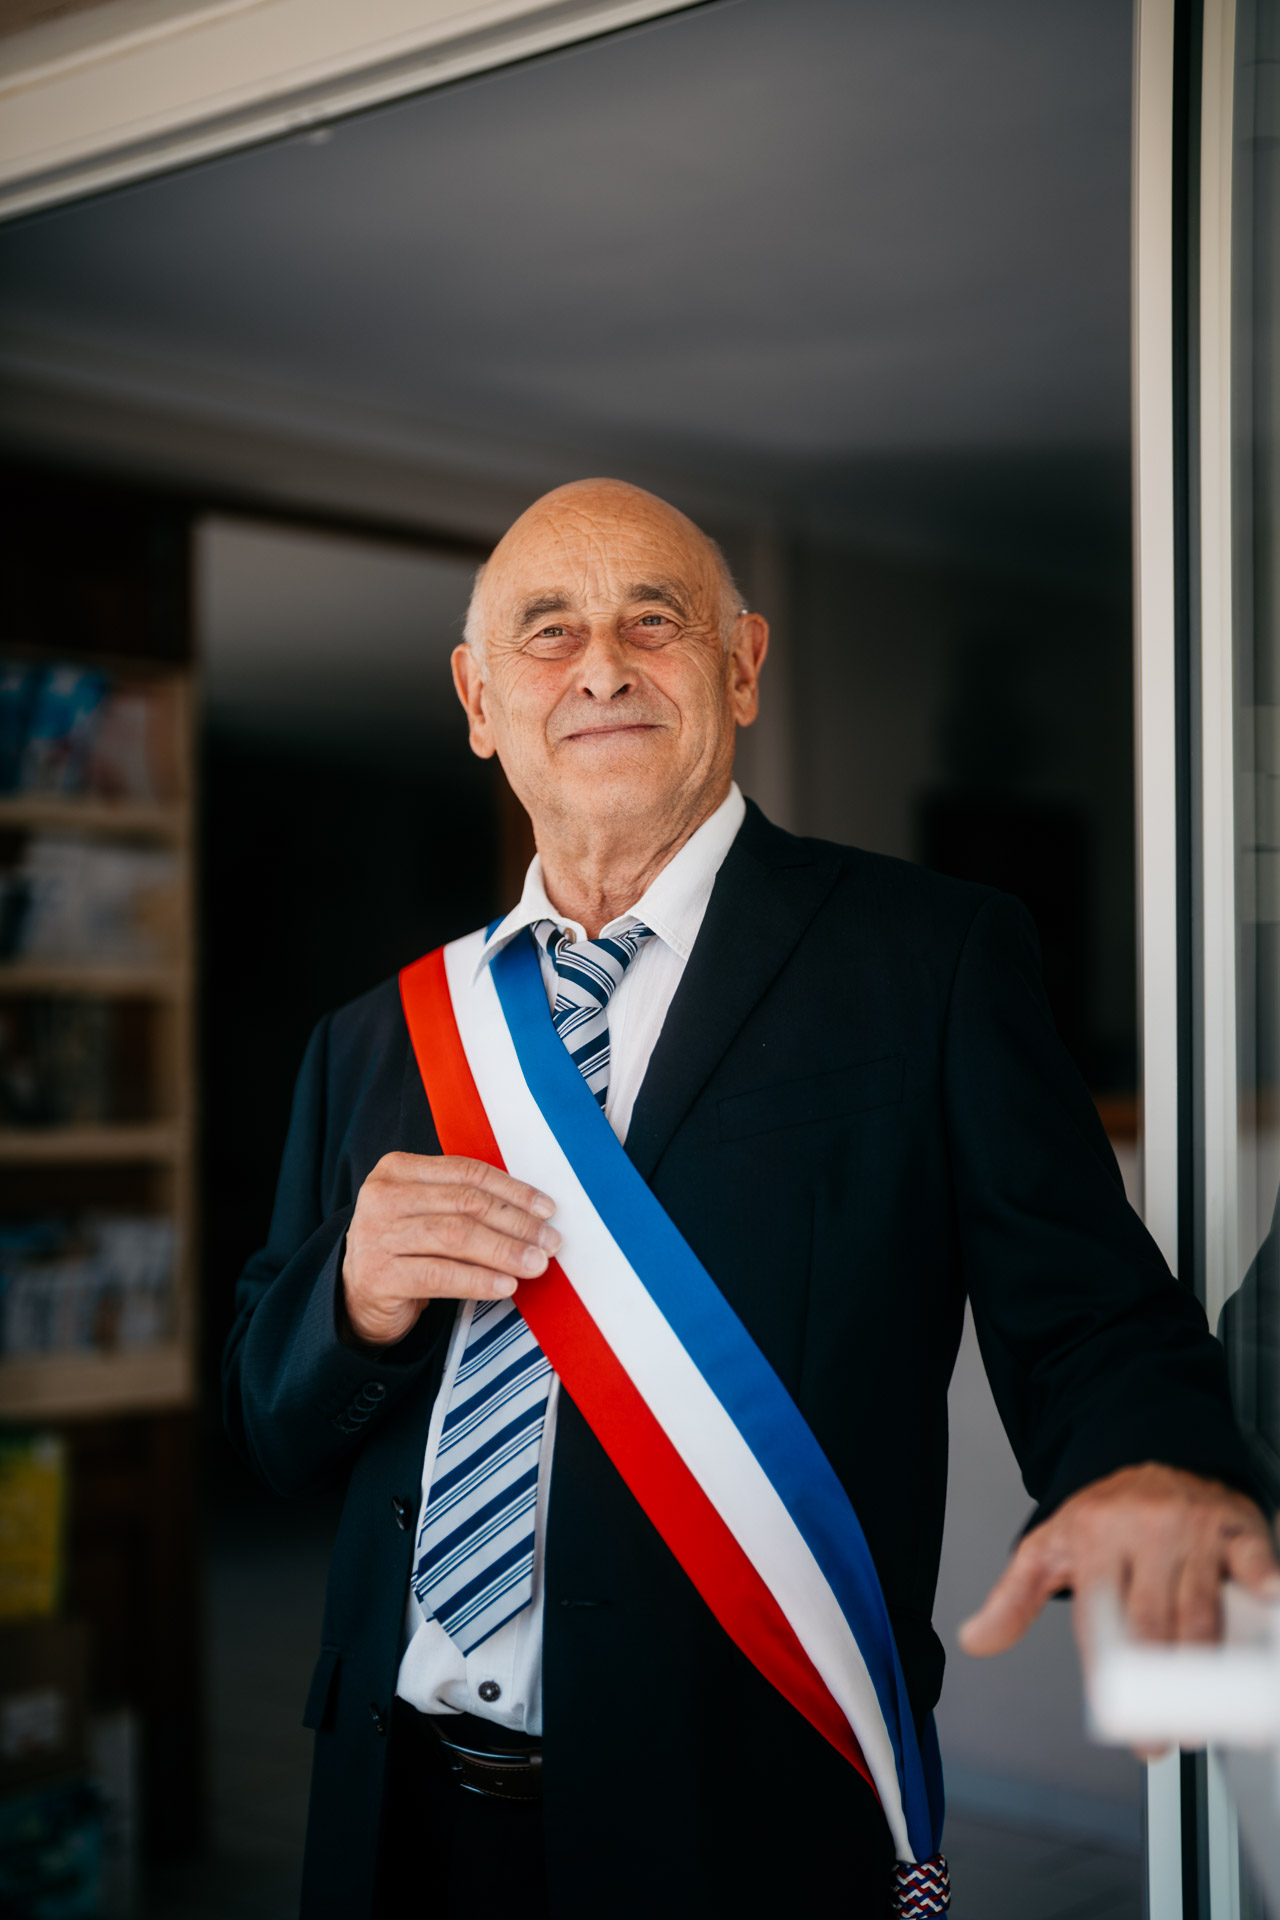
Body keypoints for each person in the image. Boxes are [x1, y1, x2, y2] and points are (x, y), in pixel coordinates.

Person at [224, 478, 1278, 1920]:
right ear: (478, 699)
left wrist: (1150, 1464)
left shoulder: (930, 960)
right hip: (392, 1812)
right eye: (549, 630)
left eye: (653, 621)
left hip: (740, 1810)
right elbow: (267, 1421)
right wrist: (348, 1302)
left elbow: (1090, 1316)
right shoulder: (373, 1038)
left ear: (742, 666)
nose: (601, 666)